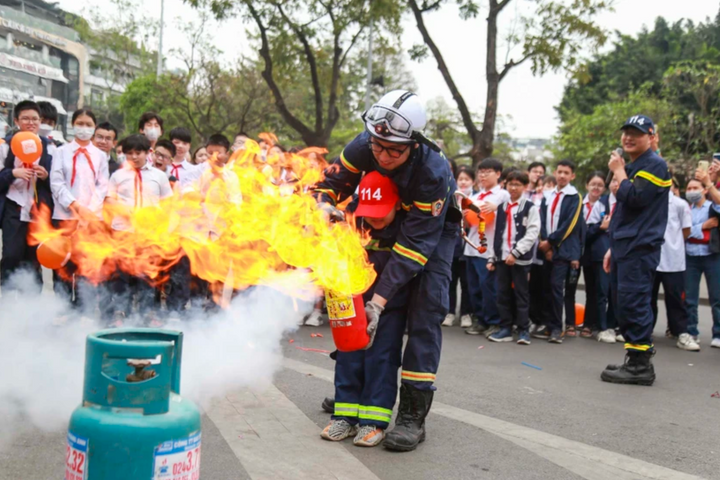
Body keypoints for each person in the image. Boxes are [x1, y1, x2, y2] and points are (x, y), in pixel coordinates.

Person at [313, 90, 458, 452]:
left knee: (422, 314)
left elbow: (413, 249)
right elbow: (326, 184)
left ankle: (412, 414)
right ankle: (355, 393)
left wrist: (378, 301)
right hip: (376, 220)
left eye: (394, 150)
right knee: (356, 311)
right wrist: (323, 206)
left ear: (414, 143)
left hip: (431, 232)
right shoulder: (366, 144)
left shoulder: (432, 171)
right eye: (378, 146)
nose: (383, 155)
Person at [321, 171, 408, 447]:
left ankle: (373, 422)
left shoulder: (407, 226)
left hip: (388, 305)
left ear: (397, 204)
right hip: (353, 302)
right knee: (348, 357)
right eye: (370, 212)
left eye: (382, 212)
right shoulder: (351, 220)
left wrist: (379, 304)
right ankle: (344, 418)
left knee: (381, 359)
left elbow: (403, 268)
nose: (375, 219)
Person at [601, 115, 670, 386]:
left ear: (651, 137)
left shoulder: (655, 164)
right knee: (623, 302)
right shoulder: (636, 164)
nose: (628, 138)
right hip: (625, 245)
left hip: (640, 247)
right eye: (626, 132)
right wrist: (612, 248)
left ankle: (641, 367)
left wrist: (619, 172)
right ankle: (634, 357)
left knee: (635, 301)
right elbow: (625, 212)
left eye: (637, 133)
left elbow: (636, 198)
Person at [105, 134, 173, 322]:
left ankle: (145, 313)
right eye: (129, 154)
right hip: (123, 231)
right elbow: (109, 199)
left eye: (138, 153)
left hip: (148, 233)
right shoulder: (118, 175)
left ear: (148, 152)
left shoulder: (159, 176)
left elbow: (167, 202)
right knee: (121, 275)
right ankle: (120, 312)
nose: (134, 157)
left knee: (147, 274)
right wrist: (124, 211)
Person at [50, 108, 109, 309]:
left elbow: (102, 186)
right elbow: (56, 182)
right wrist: (75, 206)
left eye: (88, 125)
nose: (84, 128)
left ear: (94, 128)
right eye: (80, 124)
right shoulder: (61, 152)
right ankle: (62, 307)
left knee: (85, 264)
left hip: (91, 218)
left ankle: (84, 308)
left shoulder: (101, 155)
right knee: (63, 264)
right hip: (65, 215)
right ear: (73, 125)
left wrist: (89, 210)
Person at [0, 100, 54, 292]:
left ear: (40, 121)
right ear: (16, 121)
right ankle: (5, 299)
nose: (31, 123)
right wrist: (13, 173)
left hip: (37, 210)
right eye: (25, 119)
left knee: (34, 257)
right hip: (14, 207)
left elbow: (56, 182)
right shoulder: (5, 146)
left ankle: (30, 305)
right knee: (12, 254)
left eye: (35, 119)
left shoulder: (49, 147)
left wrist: (45, 176)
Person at [487, 170, 540, 344]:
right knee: (502, 294)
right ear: (506, 185)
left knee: (521, 294)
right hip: (502, 256)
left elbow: (532, 233)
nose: (514, 188)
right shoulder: (502, 207)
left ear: (525, 186)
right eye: (511, 184)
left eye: (518, 184)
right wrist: (492, 257)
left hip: (520, 258)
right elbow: (497, 234)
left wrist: (516, 252)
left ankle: (523, 330)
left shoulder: (529, 207)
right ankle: (505, 328)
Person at [537, 159, 584, 344]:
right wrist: (544, 242)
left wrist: (551, 243)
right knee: (545, 288)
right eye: (559, 172)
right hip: (546, 248)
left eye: (566, 173)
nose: (562, 176)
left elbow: (570, 225)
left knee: (558, 288)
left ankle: (557, 327)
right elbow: (541, 219)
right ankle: (548, 325)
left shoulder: (574, 197)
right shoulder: (547, 196)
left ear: (572, 176)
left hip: (562, 250)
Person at [651, 177, 699, 351]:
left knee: (676, 299)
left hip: (673, 261)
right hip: (652, 259)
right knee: (648, 298)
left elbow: (686, 231)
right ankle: (645, 332)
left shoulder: (679, 204)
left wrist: (673, 244)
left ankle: (682, 333)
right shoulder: (650, 202)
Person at [464, 158, 509, 338]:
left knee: (489, 287)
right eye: (480, 172)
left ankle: (494, 321)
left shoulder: (502, 195)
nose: (482, 175)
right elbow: (469, 222)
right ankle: (480, 319)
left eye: (487, 172)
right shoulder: (474, 197)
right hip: (472, 247)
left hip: (489, 250)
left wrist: (495, 207)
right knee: (474, 287)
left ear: (498, 174)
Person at [684, 175, 720, 348]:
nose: (691, 191)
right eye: (689, 189)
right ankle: (691, 332)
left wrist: (709, 182)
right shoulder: (685, 208)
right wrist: (703, 227)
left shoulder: (712, 206)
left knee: (717, 297)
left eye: (695, 188)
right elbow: (682, 231)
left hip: (711, 255)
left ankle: (718, 334)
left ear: (704, 190)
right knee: (690, 298)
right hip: (690, 255)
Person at [579, 172, 612, 342]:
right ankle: (588, 324)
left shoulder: (605, 204)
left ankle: (603, 326)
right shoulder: (579, 203)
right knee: (590, 290)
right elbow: (582, 233)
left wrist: (599, 228)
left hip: (601, 253)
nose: (596, 188)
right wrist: (599, 227)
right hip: (585, 253)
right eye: (593, 184)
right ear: (587, 185)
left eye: (600, 185)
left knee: (602, 291)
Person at [443, 165, 474, 328]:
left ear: (472, 181)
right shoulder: (451, 196)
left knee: (467, 282)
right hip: (453, 246)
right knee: (451, 281)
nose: (463, 182)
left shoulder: (476, 199)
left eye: (466, 179)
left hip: (469, 247)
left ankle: (466, 313)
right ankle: (450, 312)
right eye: (460, 179)